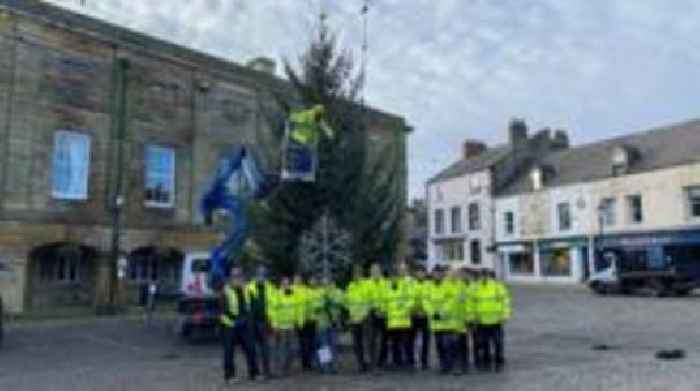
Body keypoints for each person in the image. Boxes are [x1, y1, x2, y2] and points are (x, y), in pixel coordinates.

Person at [220, 266, 258, 384]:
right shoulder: (225, 291)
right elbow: (223, 308)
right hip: (229, 325)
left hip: (244, 324)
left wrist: (248, 317)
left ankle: (254, 373)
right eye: (235, 276)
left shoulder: (247, 289)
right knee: (229, 351)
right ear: (230, 278)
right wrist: (234, 319)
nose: (238, 278)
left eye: (239, 275)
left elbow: (252, 304)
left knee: (251, 349)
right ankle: (230, 376)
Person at [473, 269, 512, 372]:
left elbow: (505, 301)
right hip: (481, 321)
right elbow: (472, 303)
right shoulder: (476, 287)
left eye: (486, 275)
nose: (484, 277)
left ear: (489, 276)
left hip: (496, 320)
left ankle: (498, 362)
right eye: (482, 275)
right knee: (484, 343)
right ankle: (486, 362)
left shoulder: (497, 286)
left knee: (498, 343)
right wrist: (474, 317)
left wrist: (505, 315)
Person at [423, 266, 457, 374]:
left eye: (439, 273)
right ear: (432, 274)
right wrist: (432, 312)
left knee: (447, 344)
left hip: (447, 321)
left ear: (442, 274)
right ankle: (443, 364)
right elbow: (425, 300)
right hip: (435, 321)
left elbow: (452, 299)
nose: (437, 275)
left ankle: (449, 364)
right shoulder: (428, 286)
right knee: (439, 345)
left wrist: (443, 311)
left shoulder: (448, 285)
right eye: (435, 273)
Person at [245, 265, 276, 379]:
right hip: (251, 322)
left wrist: (272, 320)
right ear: (255, 275)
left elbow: (274, 304)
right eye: (259, 275)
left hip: (265, 321)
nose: (261, 277)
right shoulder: (248, 288)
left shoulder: (270, 288)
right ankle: (254, 372)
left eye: (263, 275)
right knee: (253, 348)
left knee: (265, 348)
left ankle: (267, 372)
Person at [269, 276, 302, 377]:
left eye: (288, 283)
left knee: (292, 348)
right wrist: (275, 325)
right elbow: (273, 311)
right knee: (281, 348)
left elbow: (297, 308)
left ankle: (287, 367)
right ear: (281, 284)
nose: (286, 285)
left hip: (291, 326)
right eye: (284, 283)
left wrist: (299, 322)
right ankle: (280, 369)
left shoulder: (293, 294)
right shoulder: (277, 295)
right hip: (281, 327)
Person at [383, 268, 415, 371]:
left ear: (398, 277)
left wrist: (404, 309)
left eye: (395, 277)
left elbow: (411, 300)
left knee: (407, 343)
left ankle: (409, 363)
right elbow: (384, 302)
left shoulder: (405, 286)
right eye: (391, 277)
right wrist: (386, 310)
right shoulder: (386, 288)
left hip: (404, 320)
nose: (393, 279)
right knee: (394, 343)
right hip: (392, 321)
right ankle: (397, 363)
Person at [313, 275, 344, 374]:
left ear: (332, 283)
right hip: (322, 323)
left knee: (333, 345)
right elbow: (315, 307)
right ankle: (325, 367)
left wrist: (329, 302)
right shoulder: (318, 293)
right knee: (324, 346)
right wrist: (323, 305)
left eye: (327, 283)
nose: (325, 285)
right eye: (323, 283)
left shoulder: (337, 292)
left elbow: (340, 303)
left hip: (333, 322)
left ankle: (333, 366)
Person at [344, 265, 371, 372]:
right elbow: (347, 302)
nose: (356, 275)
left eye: (358, 273)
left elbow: (368, 302)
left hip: (364, 319)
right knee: (357, 343)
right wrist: (351, 315)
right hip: (353, 319)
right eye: (355, 274)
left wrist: (361, 316)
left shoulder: (366, 285)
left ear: (361, 274)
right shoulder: (350, 286)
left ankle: (367, 363)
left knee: (366, 343)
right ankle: (360, 364)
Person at [446, 268, 470, 375]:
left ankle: (464, 365)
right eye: (452, 273)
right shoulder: (445, 286)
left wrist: (468, 317)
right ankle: (454, 366)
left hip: (462, 321)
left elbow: (467, 302)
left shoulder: (462, 286)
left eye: (456, 274)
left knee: (463, 345)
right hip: (449, 321)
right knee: (452, 346)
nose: (454, 275)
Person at [366, 263, 389, 370]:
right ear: (370, 272)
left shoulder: (385, 283)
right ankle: (373, 363)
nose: (375, 272)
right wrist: (374, 308)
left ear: (380, 271)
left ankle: (382, 362)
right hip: (371, 314)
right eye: (373, 270)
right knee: (372, 340)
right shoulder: (366, 284)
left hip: (384, 314)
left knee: (384, 339)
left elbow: (388, 298)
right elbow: (365, 299)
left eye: (377, 270)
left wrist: (383, 310)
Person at [409, 265, 431, 370]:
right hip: (414, 315)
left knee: (426, 340)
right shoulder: (411, 285)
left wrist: (426, 310)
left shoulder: (429, 285)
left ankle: (424, 361)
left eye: (422, 272)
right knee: (412, 339)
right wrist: (414, 309)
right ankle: (413, 360)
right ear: (415, 274)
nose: (420, 274)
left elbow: (431, 299)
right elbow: (409, 298)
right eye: (418, 272)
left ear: (425, 274)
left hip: (425, 315)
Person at [299, 275, 321, 371]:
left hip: (319, 321)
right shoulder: (305, 292)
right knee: (306, 344)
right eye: (311, 280)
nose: (313, 282)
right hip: (306, 320)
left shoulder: (321, 292)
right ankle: (307, 364)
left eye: (314, 280)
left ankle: (323, 364)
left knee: (320, 344)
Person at [292, 274, 313, 371]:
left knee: (309, 343)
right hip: (296, 320)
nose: (298, 281)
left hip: (308, 320)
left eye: (299, 279)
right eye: (296, 279)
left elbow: (310, 304)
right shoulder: (290, 290)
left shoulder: (306, 290)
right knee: (302, 343)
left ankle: (308, 363)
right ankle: (304, 364)